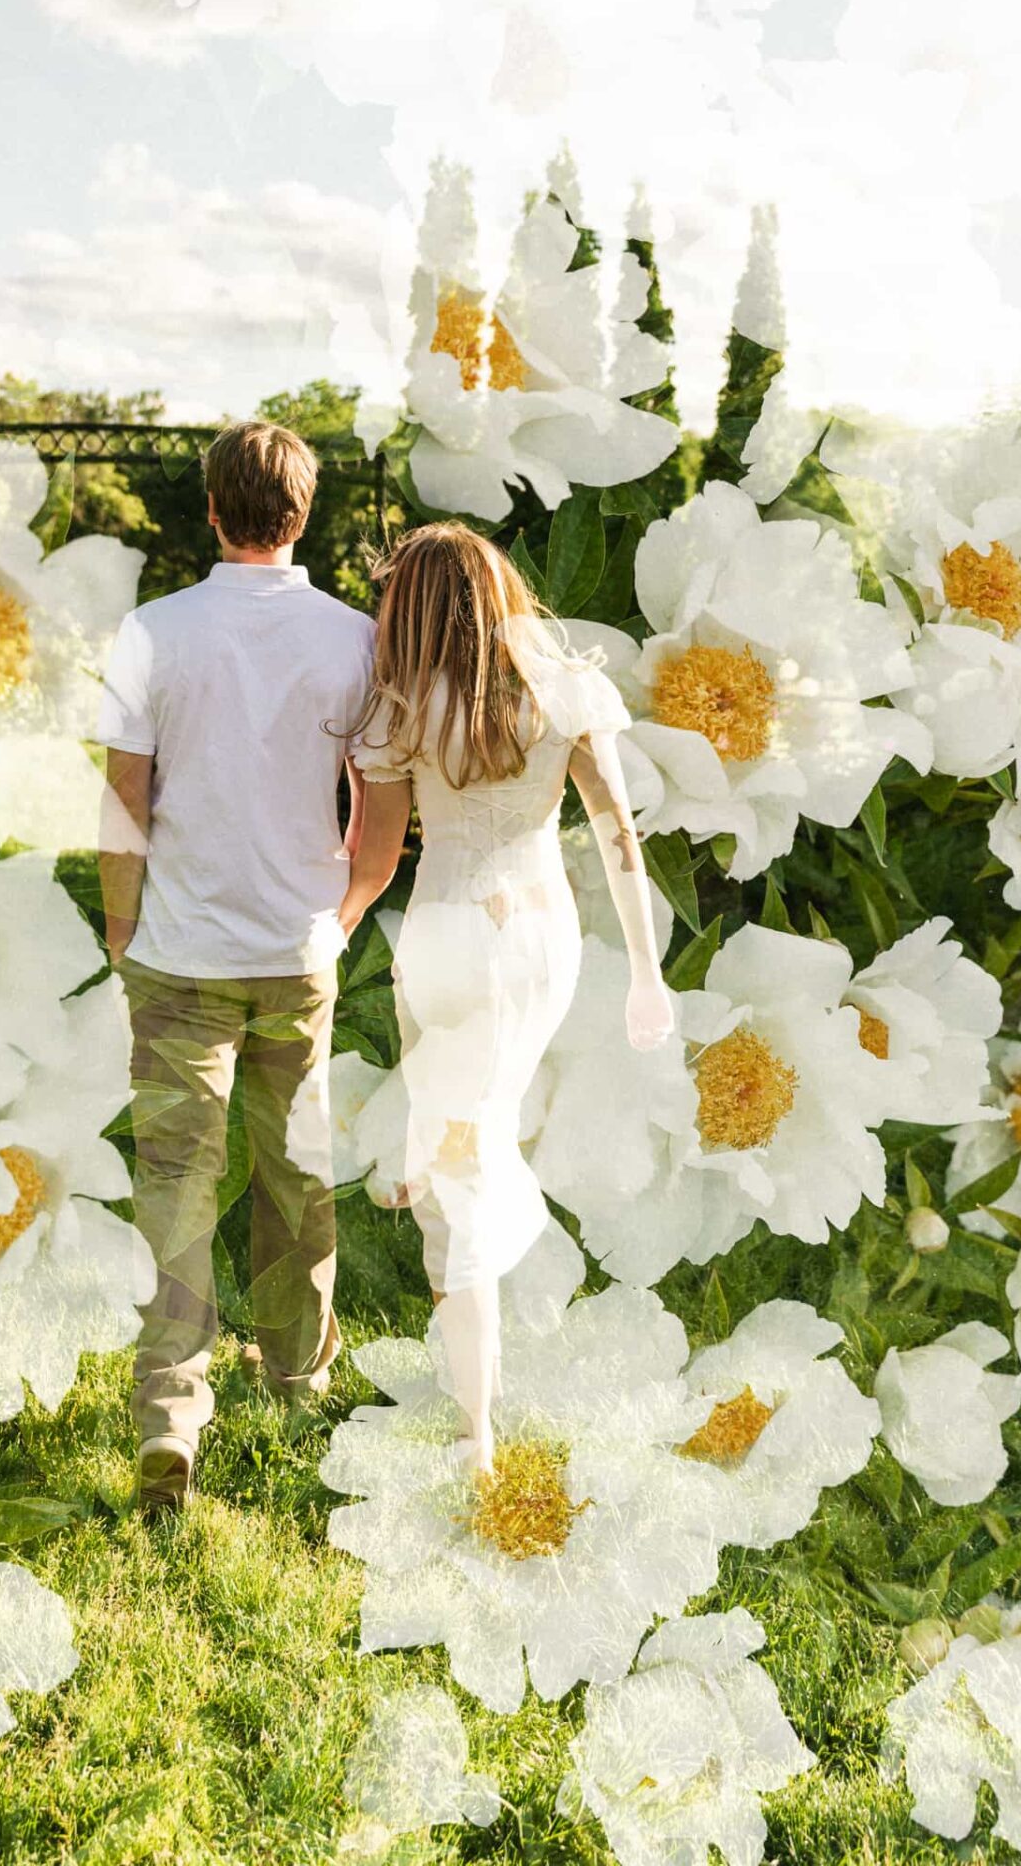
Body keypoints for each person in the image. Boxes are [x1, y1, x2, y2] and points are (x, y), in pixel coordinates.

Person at [335, 521, 673, 1475]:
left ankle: (475, 1432)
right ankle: (486, 1325)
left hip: (447, 935)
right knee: (478, 1134)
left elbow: (375, 856)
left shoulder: (402, 713)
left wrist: (333, 929)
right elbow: (619, 841)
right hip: (539, 939)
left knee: (460, 1167)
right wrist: (644, 970)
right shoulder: (563, 691)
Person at [97, 420, 376, 1517]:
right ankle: (298, 1378)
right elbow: (377, 809)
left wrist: (125, 935)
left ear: (209, 508)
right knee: (297, 1172)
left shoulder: (150, 632)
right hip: (297, 951)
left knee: (176, 1181)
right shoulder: (356, 637)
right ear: (303, 515)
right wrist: (340, 916)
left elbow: (125, 802)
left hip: (178, 955)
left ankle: (172, 1411)